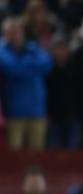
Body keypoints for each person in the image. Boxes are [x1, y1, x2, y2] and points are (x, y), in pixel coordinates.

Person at [0, 16, 52, 150]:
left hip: (37, 110)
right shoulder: (2, 50)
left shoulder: (33, 47)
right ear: (4, 33)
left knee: (37, 156)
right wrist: (32, 67)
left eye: (17, 31)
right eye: (11, 32)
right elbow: (12, 69)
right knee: (15, 157)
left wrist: (22, 65)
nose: (15, 35)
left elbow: (47, 64)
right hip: (13, 112)